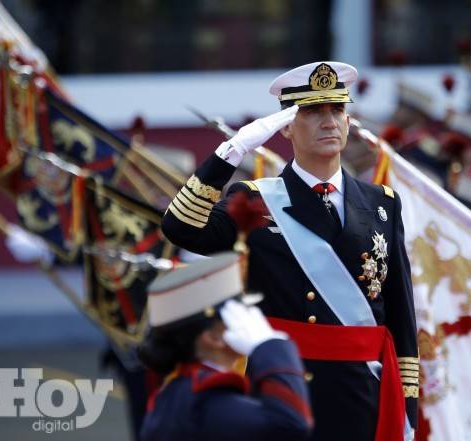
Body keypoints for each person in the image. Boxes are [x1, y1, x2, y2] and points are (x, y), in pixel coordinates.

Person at [161, 61, 418, 441]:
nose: (329, 122)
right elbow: (181, 227)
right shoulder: (256, 200)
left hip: (365, 394)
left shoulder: (382, 203)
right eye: (313, 112)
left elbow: (400, 314)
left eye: (338, 110)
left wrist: (407, 405)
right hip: (288, 393)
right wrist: (232, 150)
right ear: (285, 127)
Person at [138, 252, 312, 441]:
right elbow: (291, 424)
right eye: (236, 313)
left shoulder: (178, 391)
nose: (249, 318)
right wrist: (271, 346)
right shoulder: (207, 402)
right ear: (212, 338)